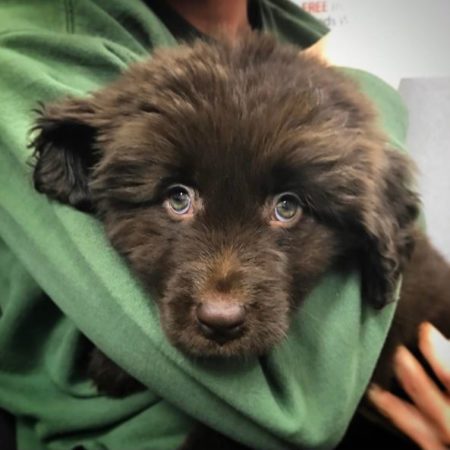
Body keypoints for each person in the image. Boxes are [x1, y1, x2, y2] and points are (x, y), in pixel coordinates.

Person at [0, 1, 446, 449]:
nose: (222, 305)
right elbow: (297, 416)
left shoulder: (291, 30)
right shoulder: (33, 49)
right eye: (179, 199)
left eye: (286, 208)